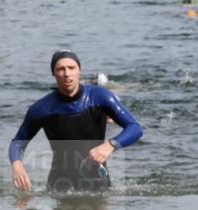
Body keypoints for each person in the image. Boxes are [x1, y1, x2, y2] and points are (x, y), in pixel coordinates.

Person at [10, 50, 143, 192]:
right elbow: (18, 142)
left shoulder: (100, 97)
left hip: (98, 180)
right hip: (59, 183)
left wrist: (110, 145)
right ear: (53, 73)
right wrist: (17, 165)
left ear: (79, 70)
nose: (67, 73)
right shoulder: (41, 108)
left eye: (71, 68)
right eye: (61, 69)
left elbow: (135, 128)